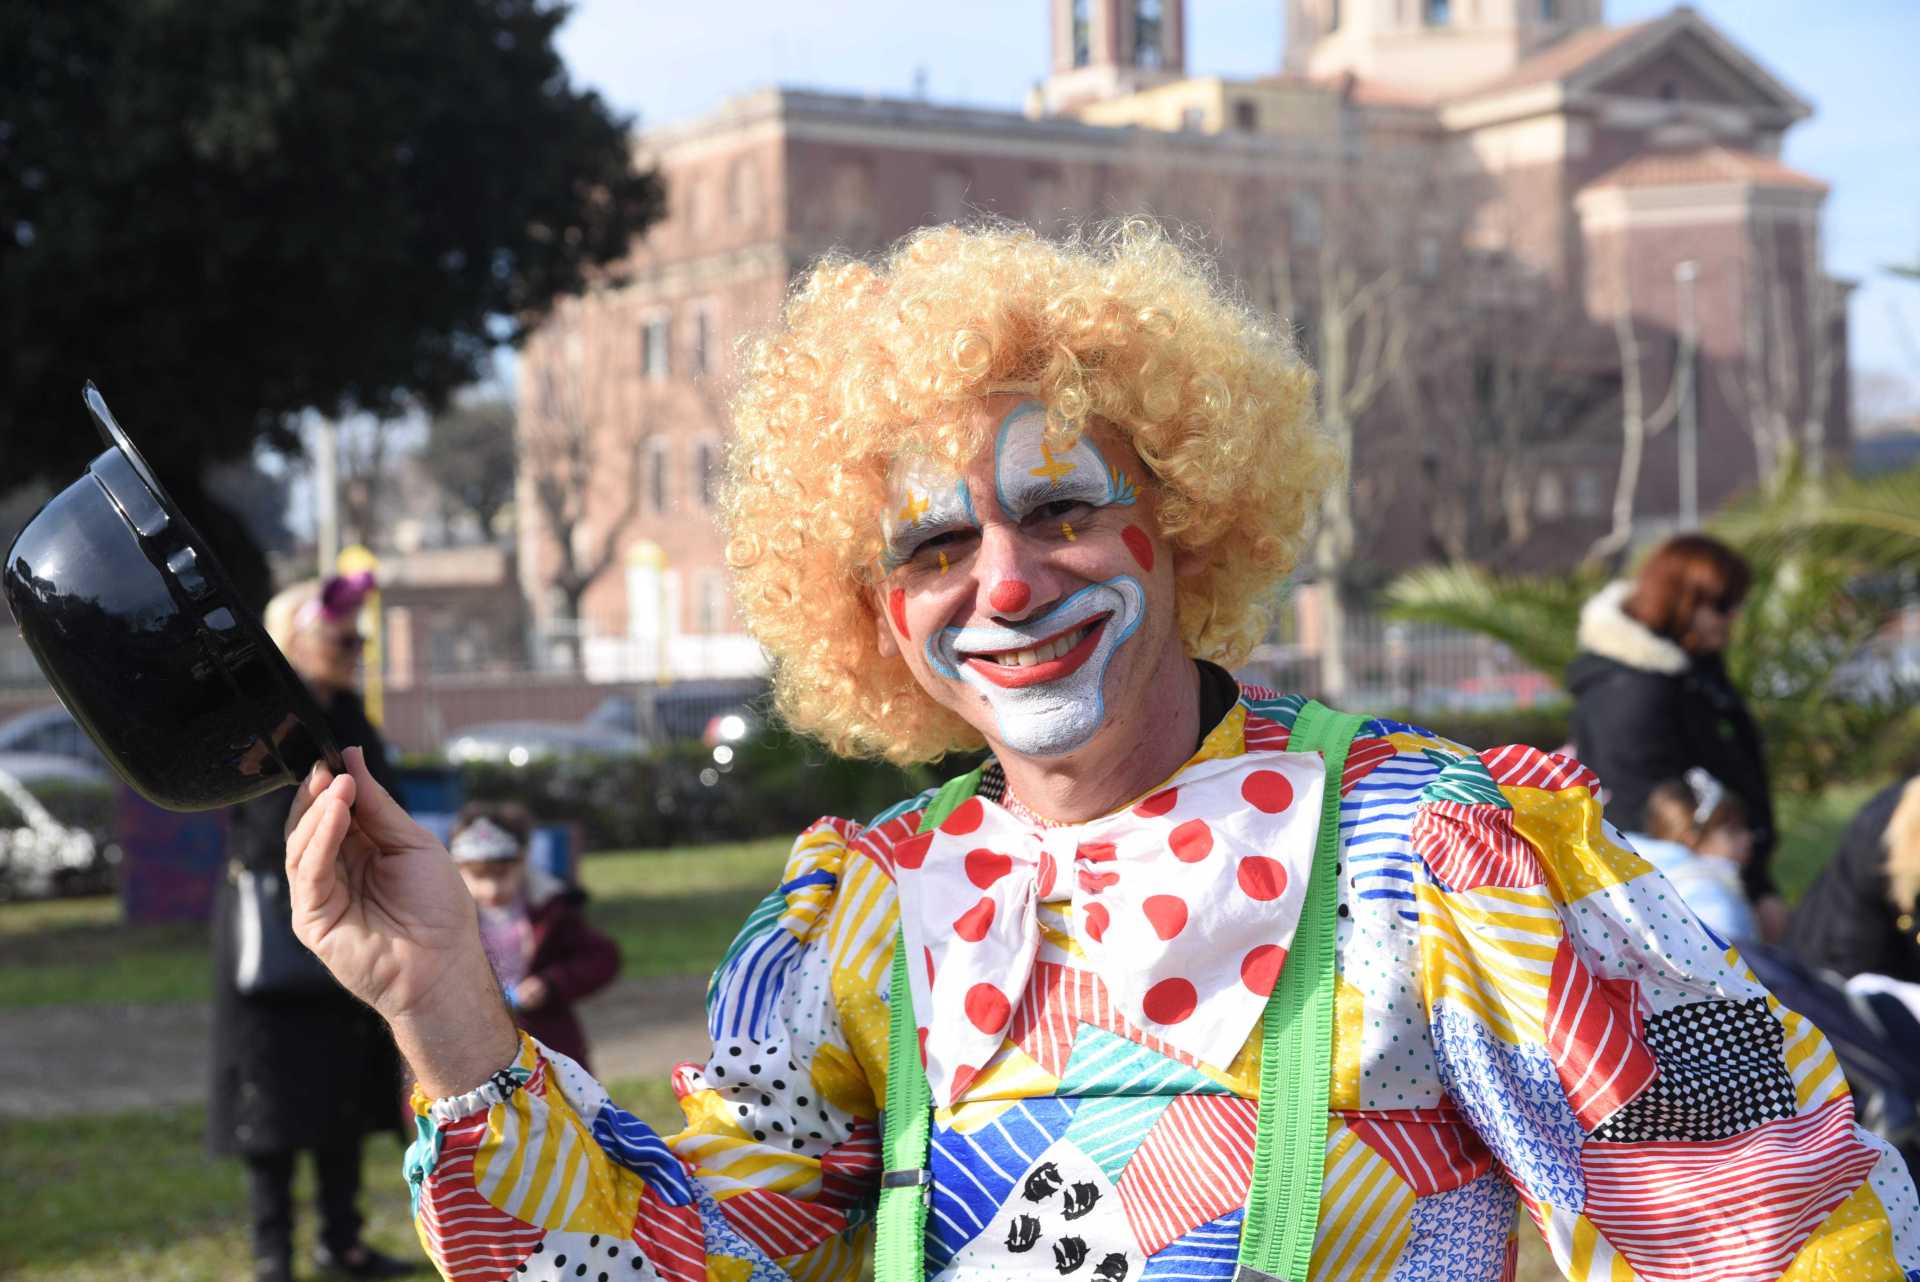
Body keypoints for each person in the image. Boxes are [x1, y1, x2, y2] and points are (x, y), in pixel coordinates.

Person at [285, 223, 1919, 1281]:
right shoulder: (863, 914)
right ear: (872, 612)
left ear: (1184, 523)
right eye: (932, 548)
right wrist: (443, 1008)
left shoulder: (1435, 850)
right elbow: (682, 1260)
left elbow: (1765, 1204)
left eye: (1060, 508)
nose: (1002, 583)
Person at [210, 573, 413, 1282]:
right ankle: (273, 1255)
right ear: (296, 638)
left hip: (344, 921)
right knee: (266, 1098)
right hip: (267, 927)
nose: (354, 649)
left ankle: (342, 1242)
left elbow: (386, 797)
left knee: (345, 1088)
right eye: (342, 636)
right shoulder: (262, 720)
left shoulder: (352, 716)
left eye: (360, 637)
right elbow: (263, 821)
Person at [1566, 534, 1785, 940]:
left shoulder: (1692, 672)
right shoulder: (1633, 691)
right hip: (1679, 896)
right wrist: (1746, 885)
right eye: (1721, 605)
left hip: (1717, 873)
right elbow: (1647, 812)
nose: (1732, 617)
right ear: (1681, 601)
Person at [447, 801, 621, 1071]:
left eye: (502, 875)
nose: (491, 888)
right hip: (471, 1046)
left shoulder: (550, 909)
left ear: (522, 861)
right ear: (457, 868)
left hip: (547, 1046)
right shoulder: (446, 919)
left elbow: (602, 958)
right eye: (478, 877)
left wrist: (550, 983)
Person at [1641, 777, 1759, 942]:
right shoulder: (1708, 896)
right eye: (1733, 831)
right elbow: (1732, 958)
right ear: (1693, 839)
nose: (1748, 837)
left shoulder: (1651, 880)